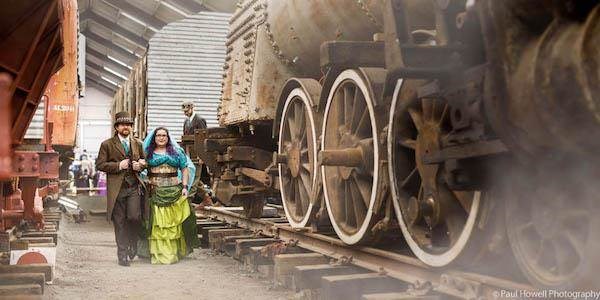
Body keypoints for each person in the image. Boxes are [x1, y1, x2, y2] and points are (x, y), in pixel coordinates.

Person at [95, 111, 146, 267]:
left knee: (134, 217)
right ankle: (122, 254)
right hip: (117, 189)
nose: (126, 127)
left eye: (129, 125)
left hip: (133, 186)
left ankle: (133, 243)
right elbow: (100, 165)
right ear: (117, 127)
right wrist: (118, 165)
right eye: (123, 124)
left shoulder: (138, 143)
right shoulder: (107, 144)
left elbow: (145, 161)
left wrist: (141, 164)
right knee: (120, 222)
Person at [143, 127, 199, 264]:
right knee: (158, 225)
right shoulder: (147, 154)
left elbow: (185, 169)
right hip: (155, 192)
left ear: (168, 138)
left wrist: (185, 187)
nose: (161, 138)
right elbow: (141, 170)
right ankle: (158, 254)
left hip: (174, 191)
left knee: (173, 225)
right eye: (158, 135)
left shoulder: (177, 152)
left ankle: (173, 253)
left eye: (164, 135)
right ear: (154, 138)